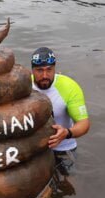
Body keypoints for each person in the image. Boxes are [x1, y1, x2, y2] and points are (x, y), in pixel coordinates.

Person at [31, 47, 90, 177]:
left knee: (68, 187)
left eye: (49, 70)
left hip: (63, 147)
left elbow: (84, 124)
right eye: (39, 70)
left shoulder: (69, 87)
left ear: (54, 68)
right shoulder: (24, 87)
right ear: (32, 70)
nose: (45, 75)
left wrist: (67, 133)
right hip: (34, 149)